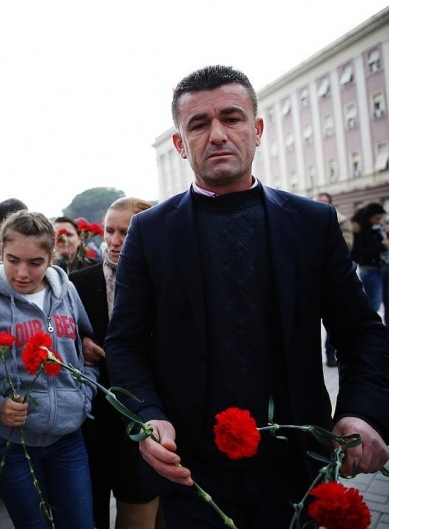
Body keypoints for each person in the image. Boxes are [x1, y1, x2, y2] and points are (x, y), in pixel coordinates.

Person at [103, 65, 389, 528]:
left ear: (256, 130)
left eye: (232, 118)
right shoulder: (150, 232)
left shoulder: (311, 224)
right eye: (199, 124)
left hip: (295, 464)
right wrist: (148, 417)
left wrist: (362, 412)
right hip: (191, 468)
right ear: (180, 143)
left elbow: (360, 332)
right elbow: (126, 344)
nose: (217, 134)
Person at [0, 210, 98, 529]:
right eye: (13, 260)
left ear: (52, 257)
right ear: (1, 252)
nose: (22, 273)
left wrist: (84, 395)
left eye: (35, 263)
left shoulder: (66, 292)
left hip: (68, 439)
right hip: (11, 444)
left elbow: (86, 350)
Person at [70, 197, 164, 529]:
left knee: (138, 507)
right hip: (92, 415)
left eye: (125, 232)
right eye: (109, 230)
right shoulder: (77, 282)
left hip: (143, 412)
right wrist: (79, 342)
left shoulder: (163, 280)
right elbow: (58, 332)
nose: (113, 241)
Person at [314, 192, 354, 367]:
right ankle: (325, 356)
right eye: (318, 202)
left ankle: (333, 354)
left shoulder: (341, 220)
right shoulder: (305, 218)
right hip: (311, 274)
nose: (321, 205)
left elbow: (348, 245)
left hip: (333, 274)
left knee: (336, 317)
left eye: (324, 202)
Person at [351, 202, 389, 326]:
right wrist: (381, 246)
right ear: (369, 217)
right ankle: (367, 330)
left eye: (381, 218)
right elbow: (359, 253)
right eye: (376, 218)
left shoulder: (379, 229)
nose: (379, 221)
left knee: (388, 303)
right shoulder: (359, 230)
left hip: (385, 268)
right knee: (373, 304)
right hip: (370, 270)